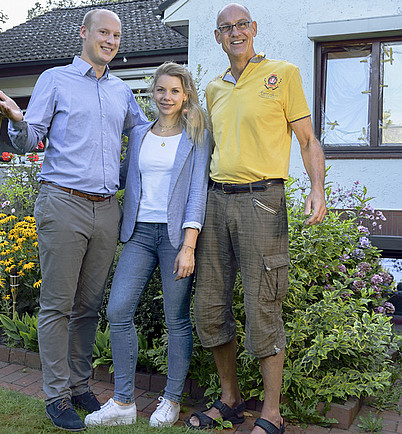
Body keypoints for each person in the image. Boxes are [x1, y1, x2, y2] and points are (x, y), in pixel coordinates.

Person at [0, 8, 147, 432]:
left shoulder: (121, 91)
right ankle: (56, 396)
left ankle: (80, 386)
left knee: (88, 306)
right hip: (63, 204)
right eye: (104, 33)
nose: (111, 41)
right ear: (84, 34)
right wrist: (17, 120)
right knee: (57, 305)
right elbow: (30, 138)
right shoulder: (54, 80)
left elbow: (148, 133)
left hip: (106, 208)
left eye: (117, 35)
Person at [185, 4, 327, 434]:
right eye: (226, 28)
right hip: (215, 202)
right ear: (217, 37)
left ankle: (271, 412)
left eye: (242, 25)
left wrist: (317, 189)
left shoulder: (283, 74)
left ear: (254, 29)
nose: (235, 33)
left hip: (262, 201)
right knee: (210, 305)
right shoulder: (213, 88)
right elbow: (201, 146)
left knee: (263, 304)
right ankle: (229, 399)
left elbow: (307, 140)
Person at [83, 62, 211, 428]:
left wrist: (189, 246)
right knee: (119, 310)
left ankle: (170, 399)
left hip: (176, 240)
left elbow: (197, 194)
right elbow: (123, 176)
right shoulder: (139, 133)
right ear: (152, 93)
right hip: (138, 234)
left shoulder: (196, 134)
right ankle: (123, 403)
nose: (166, 97)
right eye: (160, 90)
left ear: (185, 95)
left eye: (174, 91)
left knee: (177, 320)